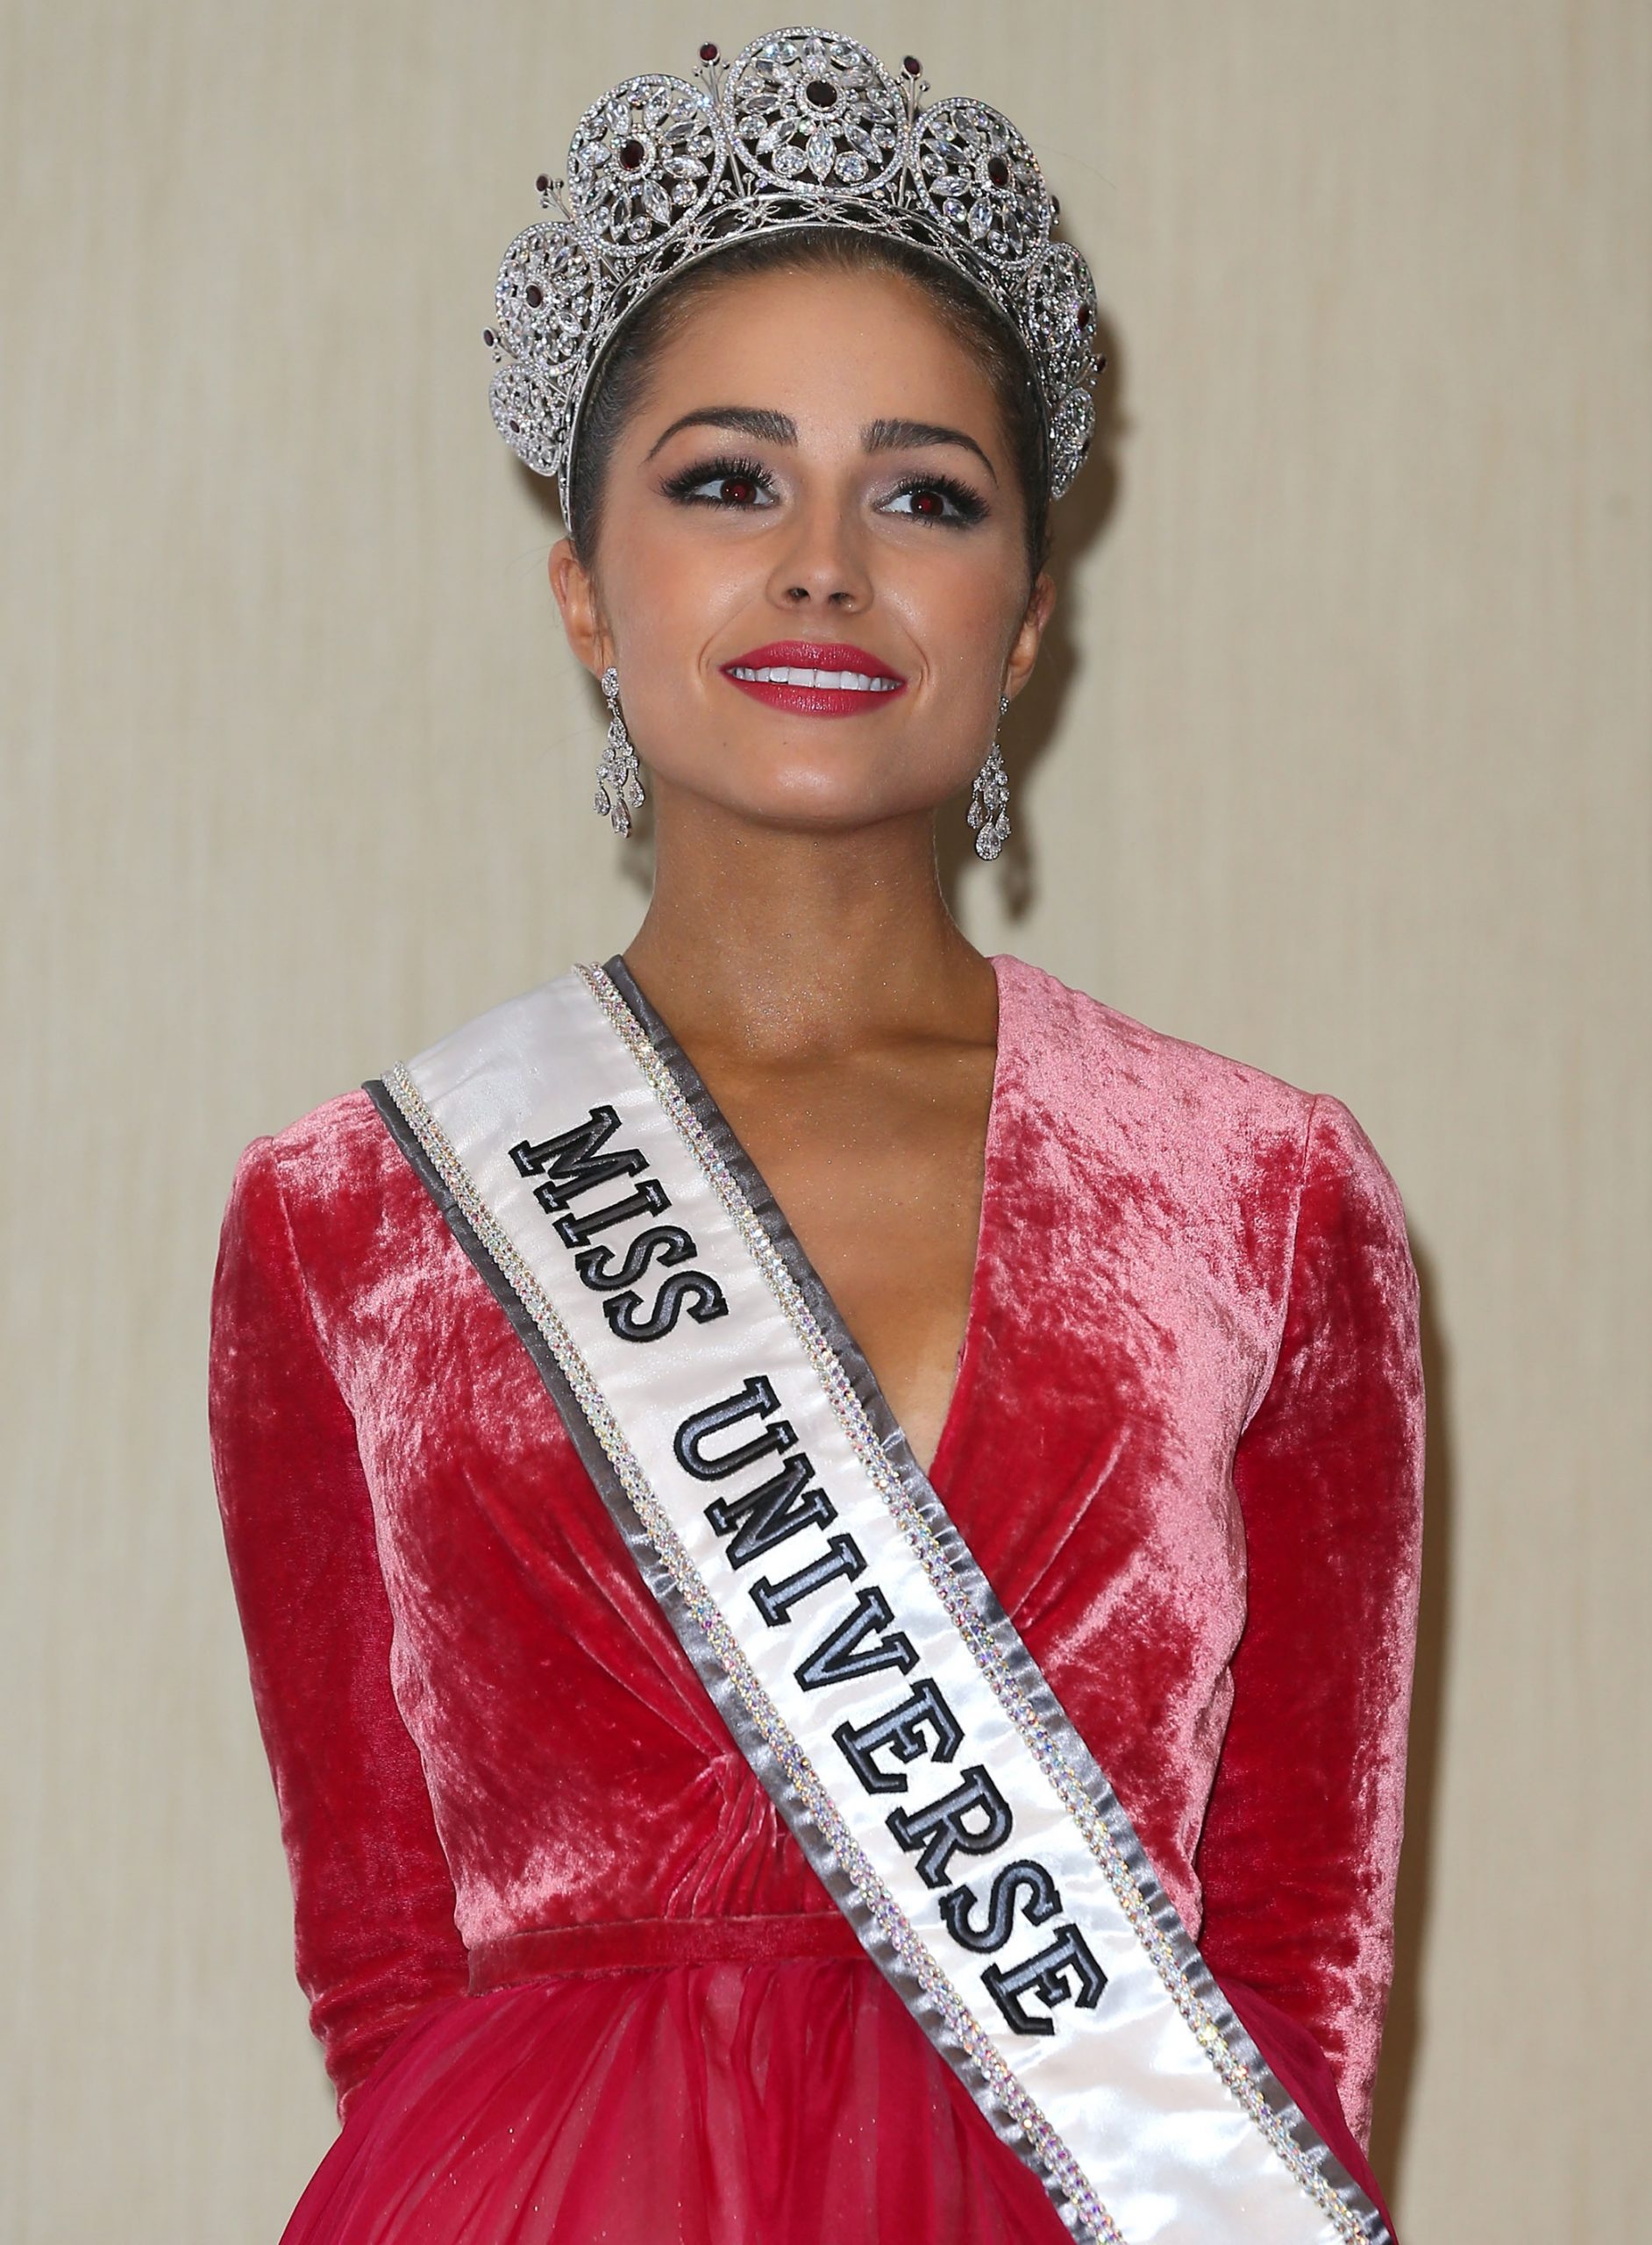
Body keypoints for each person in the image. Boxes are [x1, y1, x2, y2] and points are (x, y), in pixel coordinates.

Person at [209, 30, 1423, 2244]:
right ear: (584, 580)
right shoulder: (352, 1209)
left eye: (929, 491)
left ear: (1028, 616)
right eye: (729, 479)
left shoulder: (1266, 1190)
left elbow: (1297, 1960)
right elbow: (384, 1956)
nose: (828, 563)